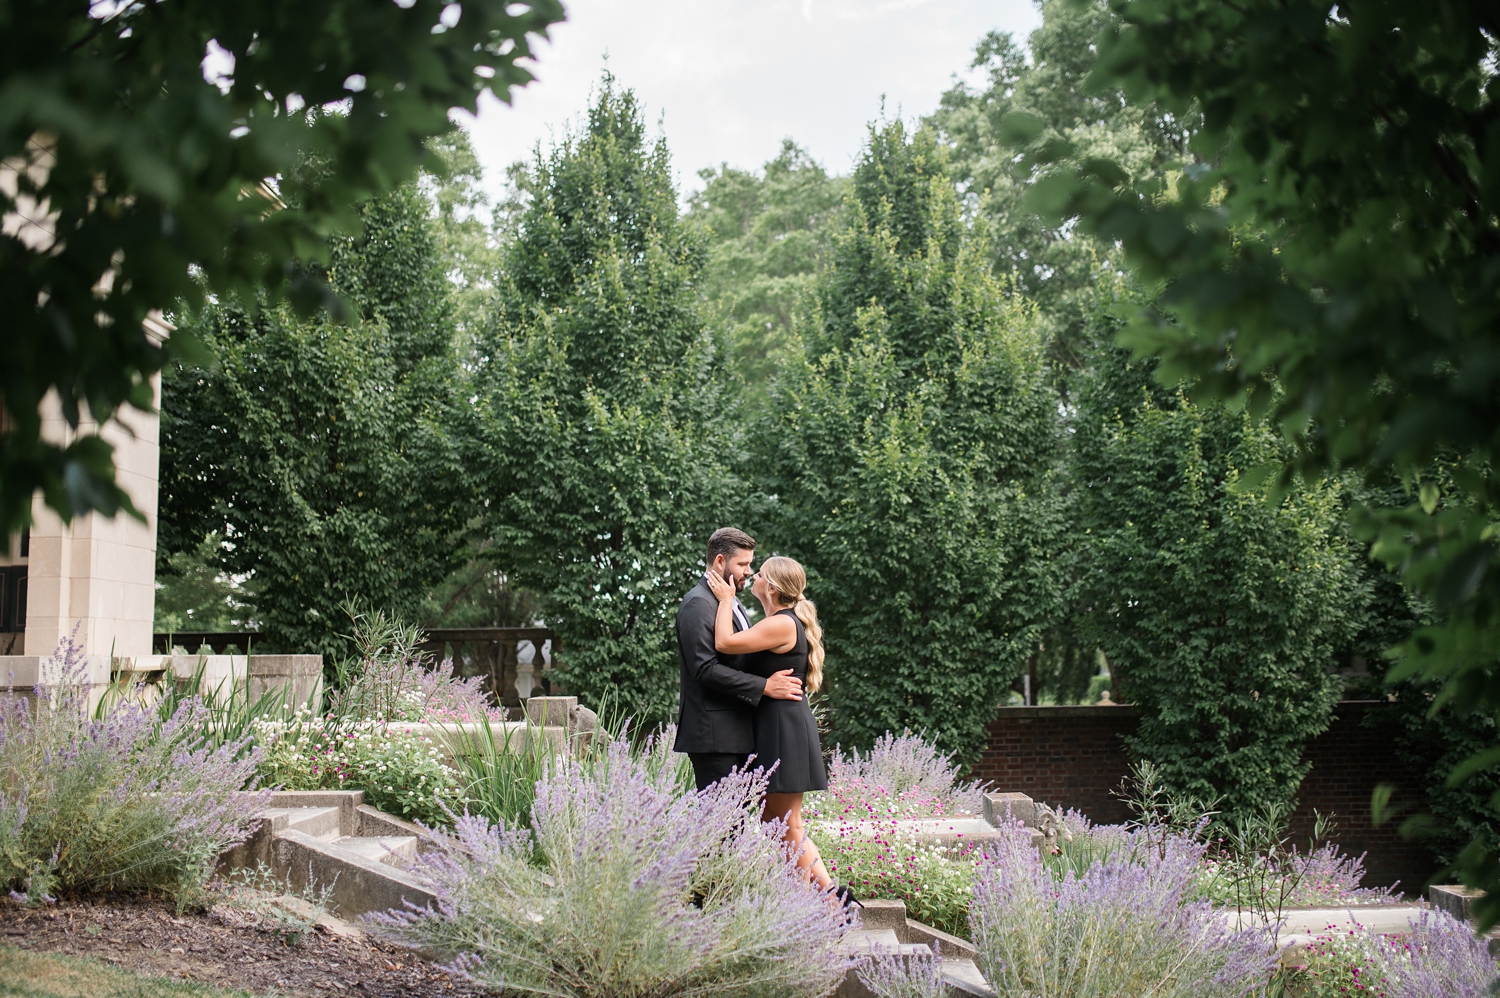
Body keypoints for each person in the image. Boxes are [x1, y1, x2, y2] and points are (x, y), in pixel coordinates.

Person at [704, 555, 844, 900]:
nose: (754, 575)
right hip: (780, 726)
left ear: (774, 587)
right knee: (776, 823)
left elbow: (723, 643)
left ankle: (831, 901)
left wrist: (724, 600)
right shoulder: (778, 621)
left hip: (784, 729)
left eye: (761, 573)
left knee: (784, 824)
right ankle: (817, 899)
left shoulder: (782, 623)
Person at [673, 528, 804, 792]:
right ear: (720, 561)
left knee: (739, 827)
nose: (748, 571)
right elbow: (705, 669)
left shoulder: (729, 600)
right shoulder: (698, 604)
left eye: (750, 564)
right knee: (724, 829)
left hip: (738, 733)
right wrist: (764, 686)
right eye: (743, 564)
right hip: (715, 737)